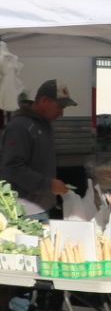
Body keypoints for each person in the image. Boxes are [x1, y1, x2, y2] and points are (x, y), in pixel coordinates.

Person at [0, 79, 73, 220]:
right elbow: (12, 167)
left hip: (44, 206)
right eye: (59, 107)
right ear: (44, 100)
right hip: (25, 211)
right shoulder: (20, 126)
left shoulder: (45, 125)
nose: (61, 113)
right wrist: (48, 184)